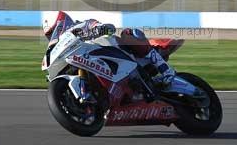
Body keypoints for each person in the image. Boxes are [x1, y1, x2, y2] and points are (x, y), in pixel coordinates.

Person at [43, 11, 176, 89]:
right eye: (48, 35)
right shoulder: (64, 47)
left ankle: (166, 71)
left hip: (117, 52)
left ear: (61, 24)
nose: (51, 37)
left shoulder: (79, 26)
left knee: (129, 34)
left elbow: (101, 26)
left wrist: (99, 29)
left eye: (52, 32)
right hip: (100, 66)